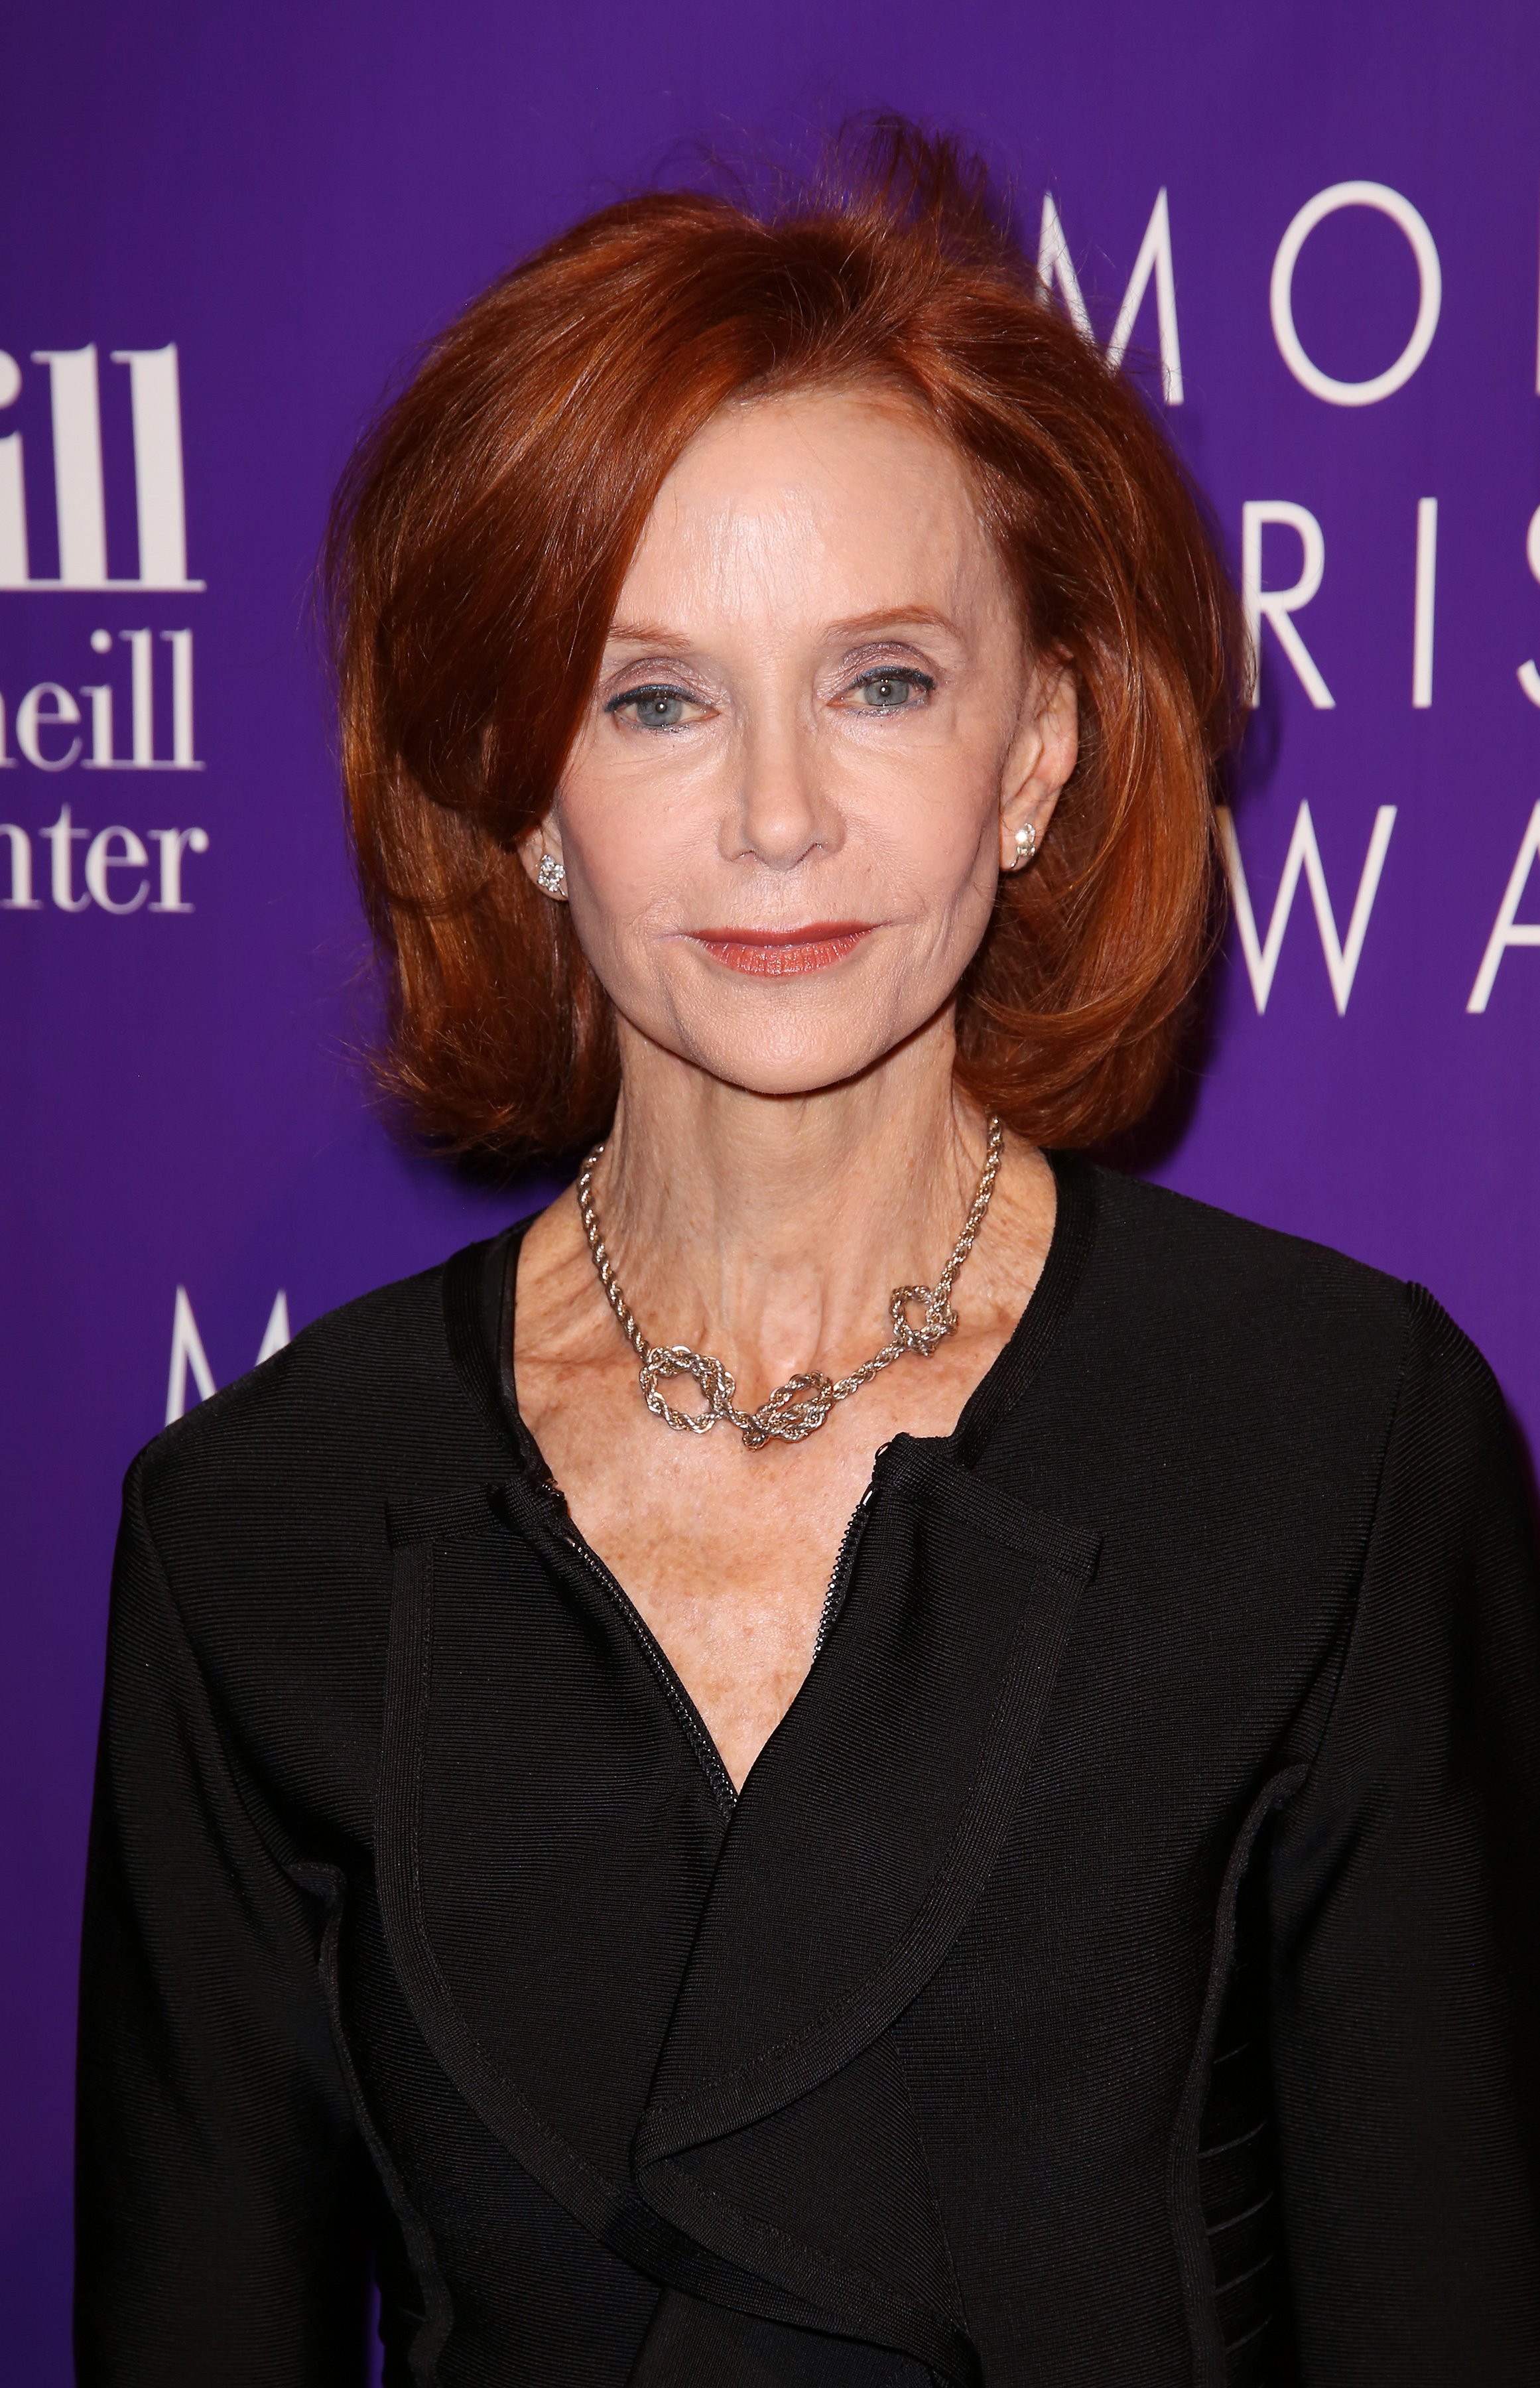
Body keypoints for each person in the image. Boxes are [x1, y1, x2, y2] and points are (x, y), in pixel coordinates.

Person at [75, 124, 1539, 2388]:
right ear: (520, 787)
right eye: (656, 697)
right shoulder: (260, 1530)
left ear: (1033, 751)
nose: (775, 815)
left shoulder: (1332, 1449)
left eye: (879, 680)